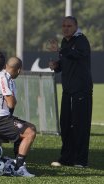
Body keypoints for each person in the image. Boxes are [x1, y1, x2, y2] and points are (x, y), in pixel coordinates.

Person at [49, 16, 93, 168]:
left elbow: (79, 55)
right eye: (63, 26)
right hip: (67, 90)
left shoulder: (81, 40)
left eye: (69, 25)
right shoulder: (65, 41)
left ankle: (81, 160)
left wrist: (61, 50)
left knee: (80, 125)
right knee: (66, 124)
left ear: (76, 26)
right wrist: (57, 66)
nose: (65, 28)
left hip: (81, 90)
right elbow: (66, 62)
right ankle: (66, 158)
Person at [0, 57, 36, 177]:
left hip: (1, 118)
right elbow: (11, 103)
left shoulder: (7, 78)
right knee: (29, 133)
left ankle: (17, 164)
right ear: (19, 70)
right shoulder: (3, 78)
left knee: (31, 128)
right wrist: (12, 100)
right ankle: (18, 168)